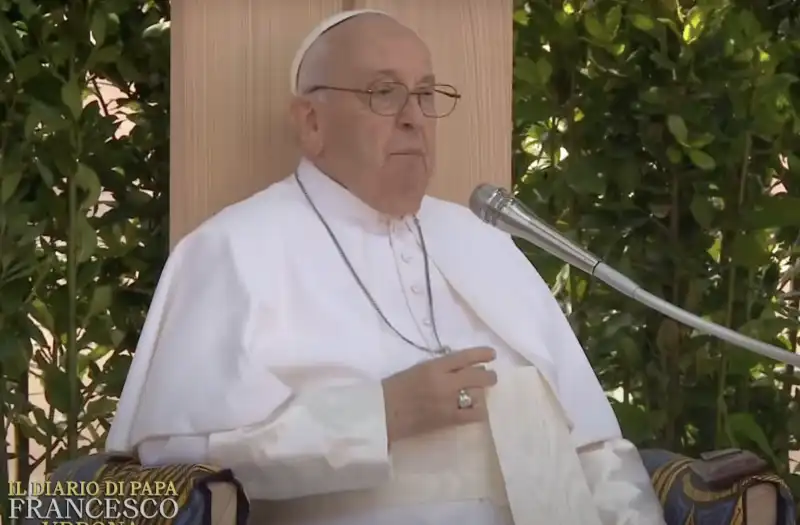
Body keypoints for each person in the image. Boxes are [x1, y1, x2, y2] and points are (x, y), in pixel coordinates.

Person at [106, 9, 667, 525]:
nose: (414, 119)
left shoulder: (485, 243)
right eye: (383, 93)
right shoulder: (231, 250)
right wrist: (378, 414)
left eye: (426, 95)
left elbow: (597, 450)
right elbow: (177, 473)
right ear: (311, 123)